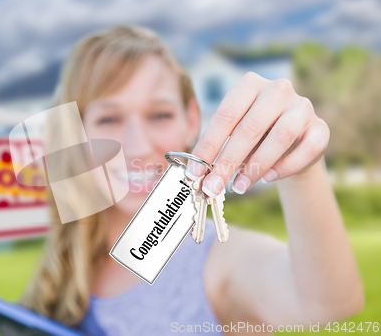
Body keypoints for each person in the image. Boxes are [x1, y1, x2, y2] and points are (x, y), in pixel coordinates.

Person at [20, 26, 364, 335]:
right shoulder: (70, 256)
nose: (139, 145)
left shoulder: (218, 262)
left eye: (159, 115)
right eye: (109, 119)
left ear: (191, 121)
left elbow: (326, 306)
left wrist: (299, 166)